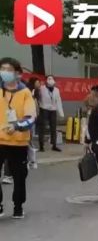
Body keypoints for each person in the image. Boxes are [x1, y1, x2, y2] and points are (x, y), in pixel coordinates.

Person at [0, 57, 37, 219]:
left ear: (17, 73)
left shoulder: (25, 93)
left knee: (19, 176)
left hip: (19, 141)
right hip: (0, 140)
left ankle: (18, 206)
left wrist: (16, 126)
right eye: (2, 69)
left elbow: (31, 117)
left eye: (8, 70)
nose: (4, 73)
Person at [37, 75, 64, 152]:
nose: (51, 85)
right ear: (46, 82)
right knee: (42, 127)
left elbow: (58, 101)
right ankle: (41, 146)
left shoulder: (56, 90)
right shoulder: (41, 88)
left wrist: (61, 113)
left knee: (53, 127)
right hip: (44, 109)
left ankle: (54, 145)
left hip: (53, 110)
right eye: (49, 82)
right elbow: (37, 97)